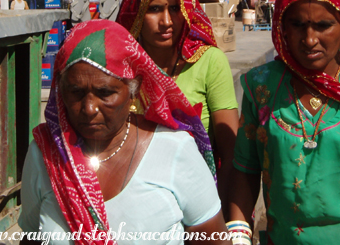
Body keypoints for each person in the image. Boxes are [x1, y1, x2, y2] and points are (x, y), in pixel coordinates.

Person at [19, 20, 231, 244]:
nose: (89, 108)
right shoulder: (45, 155)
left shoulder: (174, 150)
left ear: (133, 89)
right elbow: (31, 238)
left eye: (105, 92)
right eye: (76, 92)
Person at [230, 0, 340, 244]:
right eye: (298, 25)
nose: (310, 39)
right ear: (283, 27)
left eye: (324, 25)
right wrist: (238, 234)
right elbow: (246, 168)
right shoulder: (261, 86)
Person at [116, 0, 239, 220]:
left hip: (201, 207)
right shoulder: (120, 69)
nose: (167, 21)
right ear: (136, 12)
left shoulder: (209, 62)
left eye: (174, 8)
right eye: (154, 9)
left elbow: (231, 154)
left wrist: (230, 222)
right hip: (138, 209)